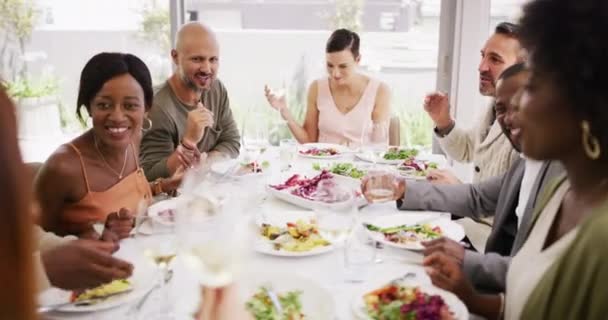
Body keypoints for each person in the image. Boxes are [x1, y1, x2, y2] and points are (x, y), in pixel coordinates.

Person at [425, 0, 608, 318]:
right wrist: (469, 296)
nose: (516, 103)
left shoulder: (601, 237)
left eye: (533, 85)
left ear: (586, 99)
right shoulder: (562, 192)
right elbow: (532, 299)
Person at [363, 63, 563, 293]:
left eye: (519, 106)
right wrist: (403, 189)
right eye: (502, 108)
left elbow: (545, 274)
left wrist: (465, 261)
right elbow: (477, 196)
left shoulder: (563, 174)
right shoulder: (527, 159)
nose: (509, 118)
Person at [36, 52, 181, 238]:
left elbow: (126, 195)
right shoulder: (64, 167)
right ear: (89, 106)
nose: (118, 117)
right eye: (104, 105)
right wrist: (95, 236)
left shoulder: (133, 140)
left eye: (130, 106)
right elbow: (26, 243)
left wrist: (163, 185)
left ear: (147, 108)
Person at [140, 22, 241, 181]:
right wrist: (189, 142)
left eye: (213, 59)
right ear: (175, 57)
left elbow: (232, 141)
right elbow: (149, 175)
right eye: (197, 59)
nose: (207, 69)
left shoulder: (216, 89)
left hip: (207, 192)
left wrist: (204, 164)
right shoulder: (156, 106)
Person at [425, 22, 523, 183]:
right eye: (483, 56)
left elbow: (509, 204)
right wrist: (443, 121)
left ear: (522, 70)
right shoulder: (494, 105)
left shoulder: (528, 130)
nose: (481, 67)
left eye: (495, 60)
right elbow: (468, 149)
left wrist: (457, 188)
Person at [264, 28, 391, 145]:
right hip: (323, 165)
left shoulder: (379, 91)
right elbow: (309, 141)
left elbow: (378, 146)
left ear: (358, 60)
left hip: (360, 166)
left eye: (343, 66)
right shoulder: (317, 88)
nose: (335, 74)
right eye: (330, 65)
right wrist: (284, 110)